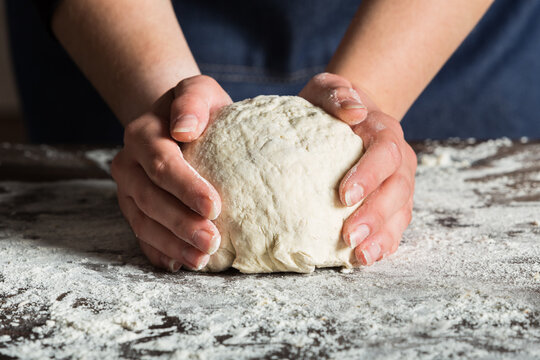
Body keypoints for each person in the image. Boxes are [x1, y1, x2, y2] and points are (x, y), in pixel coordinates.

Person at [6, 0, 540, 272]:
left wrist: (362, 111)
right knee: (165, 191)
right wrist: (163, 101)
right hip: (128, 33)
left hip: (432, 35)